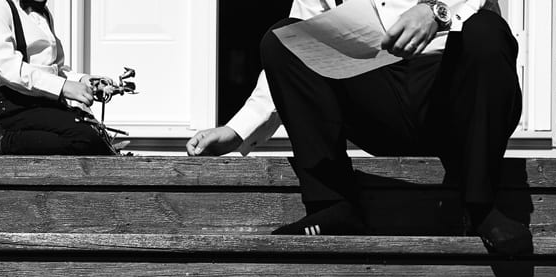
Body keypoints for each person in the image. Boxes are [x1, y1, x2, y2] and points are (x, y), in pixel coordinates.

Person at [186, 0, 531, 255]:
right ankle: (331, 205)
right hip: (379, 103)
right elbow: (300, 39)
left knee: (486, 31)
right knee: (282, 39)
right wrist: (237, 129)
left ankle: (481, 206)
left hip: (455, 98)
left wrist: (434, 11)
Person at [0, 0, 116, 156]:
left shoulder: (44, 14)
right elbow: (8, 69)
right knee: (84, 139)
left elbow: (53, 70)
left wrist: (82, 80)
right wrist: (63, 86)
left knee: (94, 136)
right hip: (5, 101)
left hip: (38, 99)